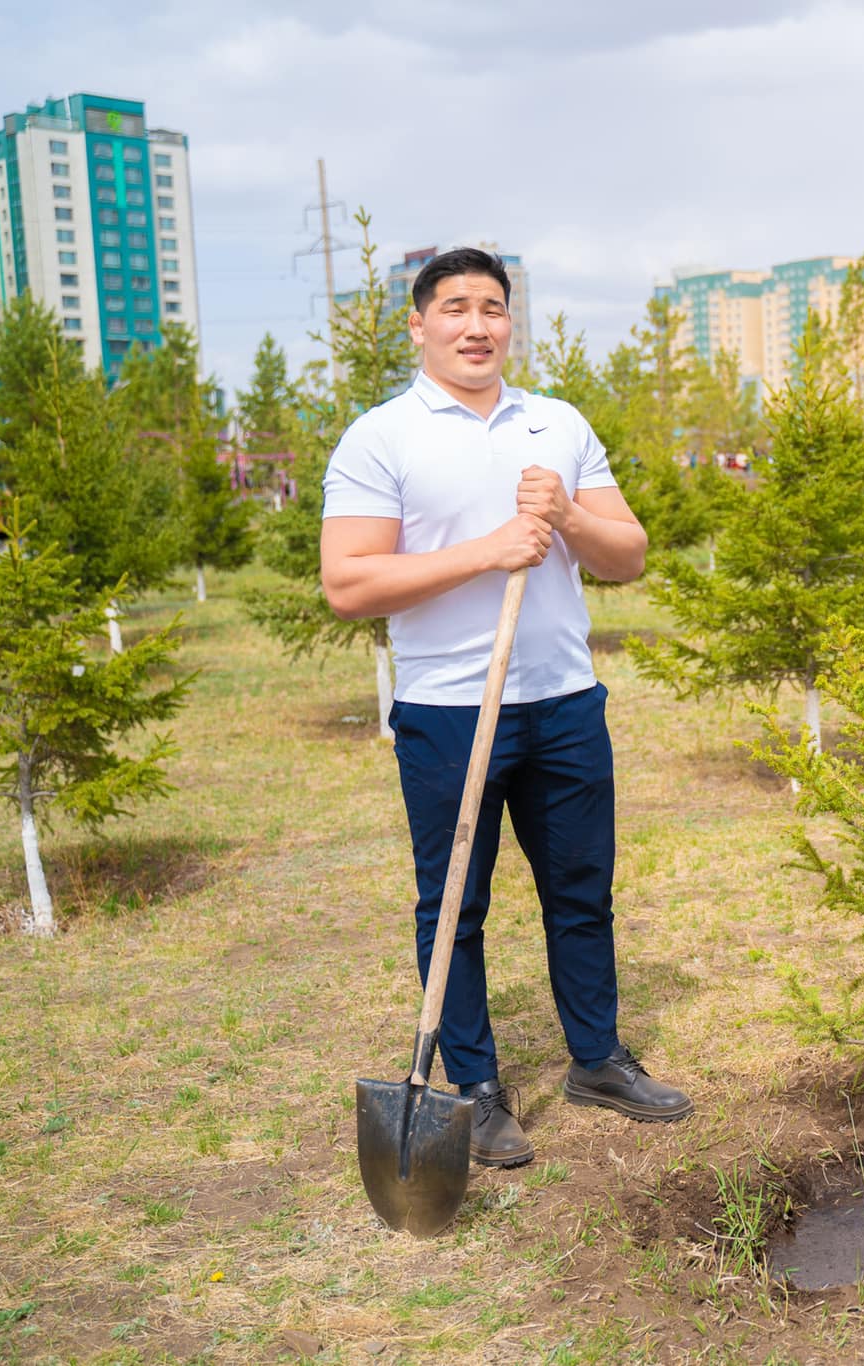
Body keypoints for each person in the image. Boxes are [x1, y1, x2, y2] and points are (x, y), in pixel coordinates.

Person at [320, 247, 691, 1169]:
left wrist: (566, 517)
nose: (476, 325)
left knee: (580, 893)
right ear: (419, 325)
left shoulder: (556, 425)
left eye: (493, 308)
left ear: (509, 323)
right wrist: (488, 550)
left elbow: (628, 556)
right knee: (455, 904)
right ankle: (476, 1090)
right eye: (455, 308)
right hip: (450, 709)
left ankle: (597, 1060)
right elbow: (349, 583)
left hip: (564, 701)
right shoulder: (383, 437)